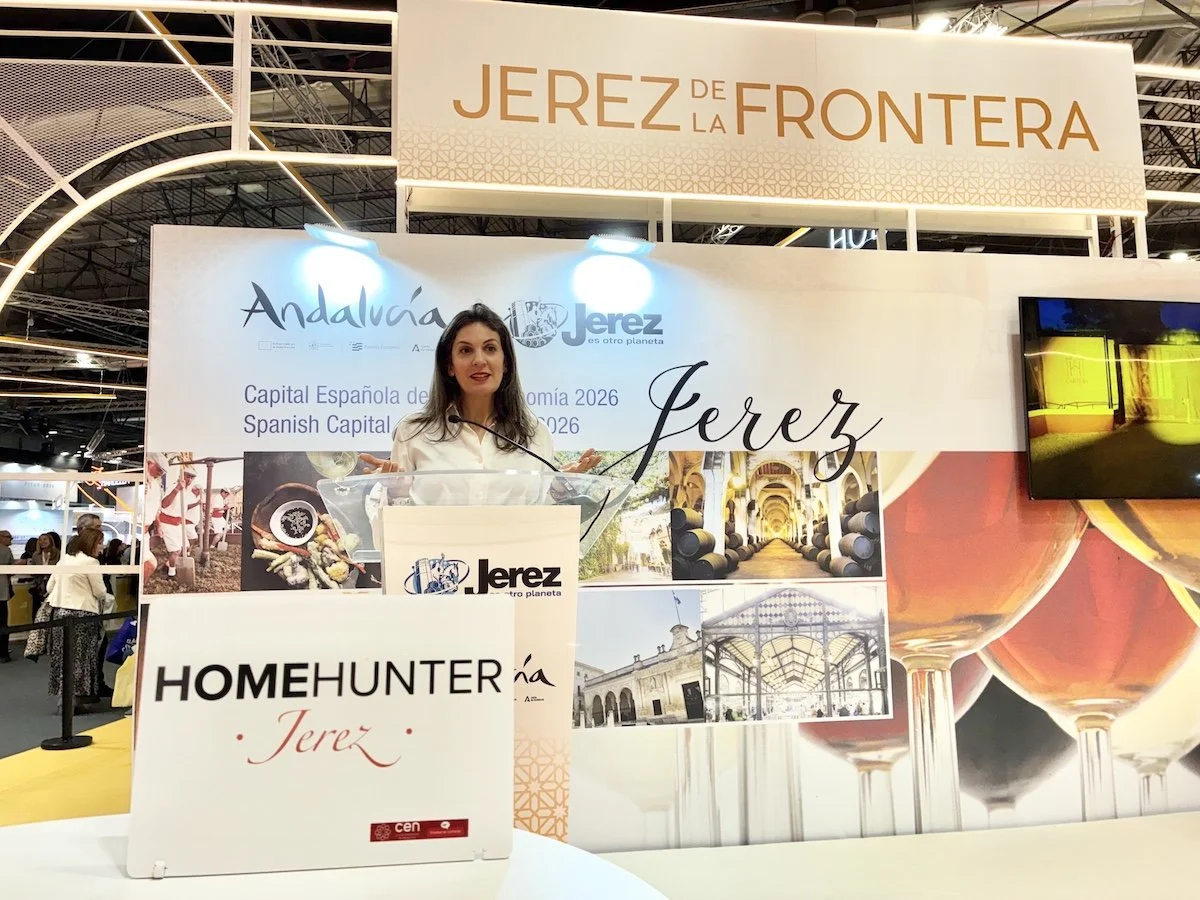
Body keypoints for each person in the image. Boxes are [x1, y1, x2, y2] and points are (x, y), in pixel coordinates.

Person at [360, 303, 601, 475]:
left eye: (490, 348)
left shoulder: (535, 435)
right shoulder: (413, 432)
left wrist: (562, 489)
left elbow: (544, 516)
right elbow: (390, 522)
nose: (479, 360)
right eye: (465, 350)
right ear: (449, 366)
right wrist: (389, 492)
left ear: (505, 362)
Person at [45, 526, 111, 713]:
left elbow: (50, 587)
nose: (102, 547)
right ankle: (76, 701)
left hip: (60, 614)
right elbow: (99, 592)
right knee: (82, 659)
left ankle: (63, 701)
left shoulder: (64, 560)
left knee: (62, 658)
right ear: (91, 543)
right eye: (99, 543)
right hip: (83, 615)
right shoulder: (91, 563)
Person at [142, 452, 168, 580]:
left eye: (163, 472)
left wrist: (158, 525)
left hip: (146, 532)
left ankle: (138, 590)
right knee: (150, 564)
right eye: (159, 469)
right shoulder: (142, 480)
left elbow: (157, 508)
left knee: (149, 564)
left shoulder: (156, 485)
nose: (160, 473)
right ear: (149, 463)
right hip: (137, 531)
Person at [0, 530, 13, 663]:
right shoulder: (6, 551)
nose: (11, 540)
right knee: (3, 623)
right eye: (9, 537)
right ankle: (3, 653)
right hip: (1, 594)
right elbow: (11, 568)